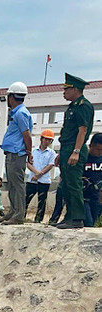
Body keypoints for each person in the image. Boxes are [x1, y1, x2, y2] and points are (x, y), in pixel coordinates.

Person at [55, 73, 95, 229]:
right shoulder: (72, 106)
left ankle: (77, 218)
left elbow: (82, 130)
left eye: (67, 89)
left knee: (74, 184)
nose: (64, 92)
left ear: (75, 89)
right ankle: (70, 216)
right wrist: (61, 153)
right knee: (66, 183)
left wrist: (76, 151)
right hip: (67, 147)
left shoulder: (83, 106)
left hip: (74, 148)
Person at [0, 82, 33, 225]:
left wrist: (29, 153)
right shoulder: (17, 113)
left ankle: (18, 215)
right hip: (12, 152)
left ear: (11, 96)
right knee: (11, 183)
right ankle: (13, 210)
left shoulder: (21, 113)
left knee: (17, 184)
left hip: (18, 153)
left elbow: (27, 135)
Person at [25, 130, 57, 223]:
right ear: (41, 139)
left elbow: (50, 165)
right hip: (32, 179)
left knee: (42, 201)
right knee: (26, 199)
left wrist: (40, 174)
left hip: (44, 181)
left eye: (49, 140)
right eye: (45, 139)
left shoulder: (52, 153)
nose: (47, 142)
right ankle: (22, 216)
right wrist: (36, 173)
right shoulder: (33, 151)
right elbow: (28, 163)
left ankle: (38, 219)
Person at [83, 133, 102, 226]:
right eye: (98, 149)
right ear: (90, 146)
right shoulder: (83, 158)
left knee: (94, 223)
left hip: (97, 197)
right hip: (83, 197)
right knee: (88, 222)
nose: (100, 152)